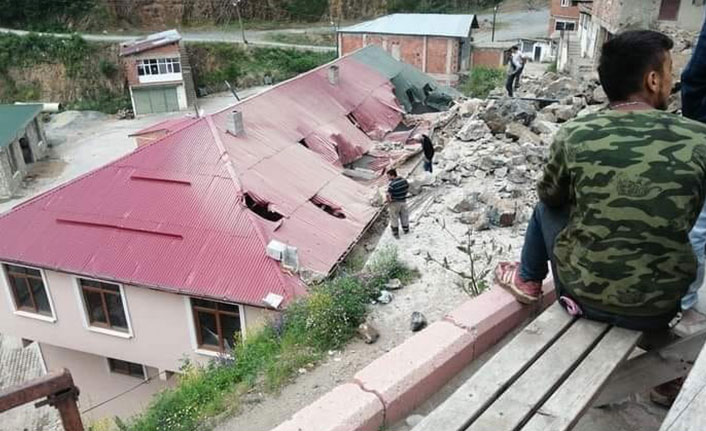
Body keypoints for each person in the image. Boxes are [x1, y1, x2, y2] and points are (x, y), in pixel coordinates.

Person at [494, 30, 706, 333]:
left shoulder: (575, 132)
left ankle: (528, 280)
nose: (674, 83)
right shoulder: (698, 138)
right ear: (653, 80)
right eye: (670, 72)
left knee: (545, 209)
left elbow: (550, 197)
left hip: (582, 298)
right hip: (662, 309)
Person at [386, 168, 409, 238]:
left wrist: (389, 201)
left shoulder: (392, 184)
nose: (388, 178)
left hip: (395, 203)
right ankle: (406, 229)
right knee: (404, 216)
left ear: (392, 175)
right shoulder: (404, 180)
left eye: (388, 176)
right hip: (403, 201)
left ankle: (395, 231)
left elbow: (388, 195)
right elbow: (407, 187)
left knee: (394, 217)